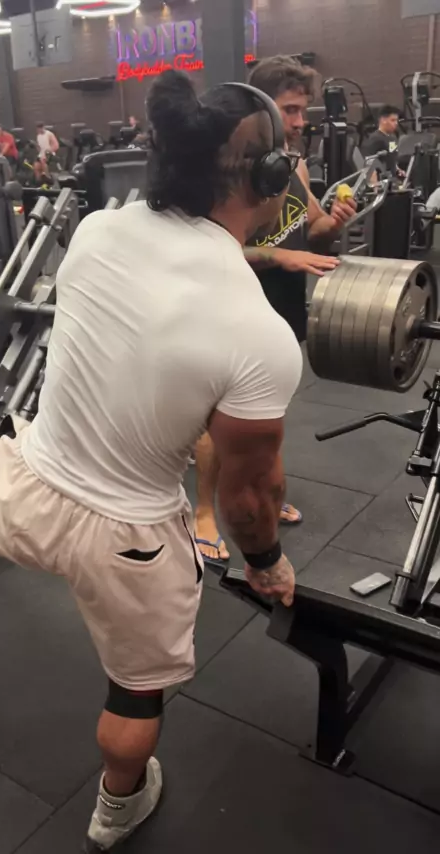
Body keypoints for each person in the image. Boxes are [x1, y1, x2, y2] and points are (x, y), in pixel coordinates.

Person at [0, 70, 302, 852]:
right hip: (129, 542)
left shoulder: (97, 231)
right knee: (135, 695)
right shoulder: (259, 336)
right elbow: (248, 499)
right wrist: (269, 565)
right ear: (270, 176)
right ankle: (116, 810)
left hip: (18, 482)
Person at [194, 55, 357, 565]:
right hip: (233, 303)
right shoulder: (227, 174)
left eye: (303, 110)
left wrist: (336, 221)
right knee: (218, 417)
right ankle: (203, 513)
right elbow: (204, 250)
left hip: (282, 305)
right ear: (262, 109)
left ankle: (259, 489)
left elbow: (314, 229)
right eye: (290, 110)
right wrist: (278, 255)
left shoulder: (294, 167)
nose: (301, 121)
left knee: (267, 413)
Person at [362, 105, 404, 178]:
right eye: (393, 120)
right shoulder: (375, 138)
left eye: (397, 120)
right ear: (383, 120)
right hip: (382, 179)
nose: (396, 123)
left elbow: (392, 158)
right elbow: (369, 164)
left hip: (393, 179)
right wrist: (375, 184)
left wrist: (398, 170)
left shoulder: (392, 137)